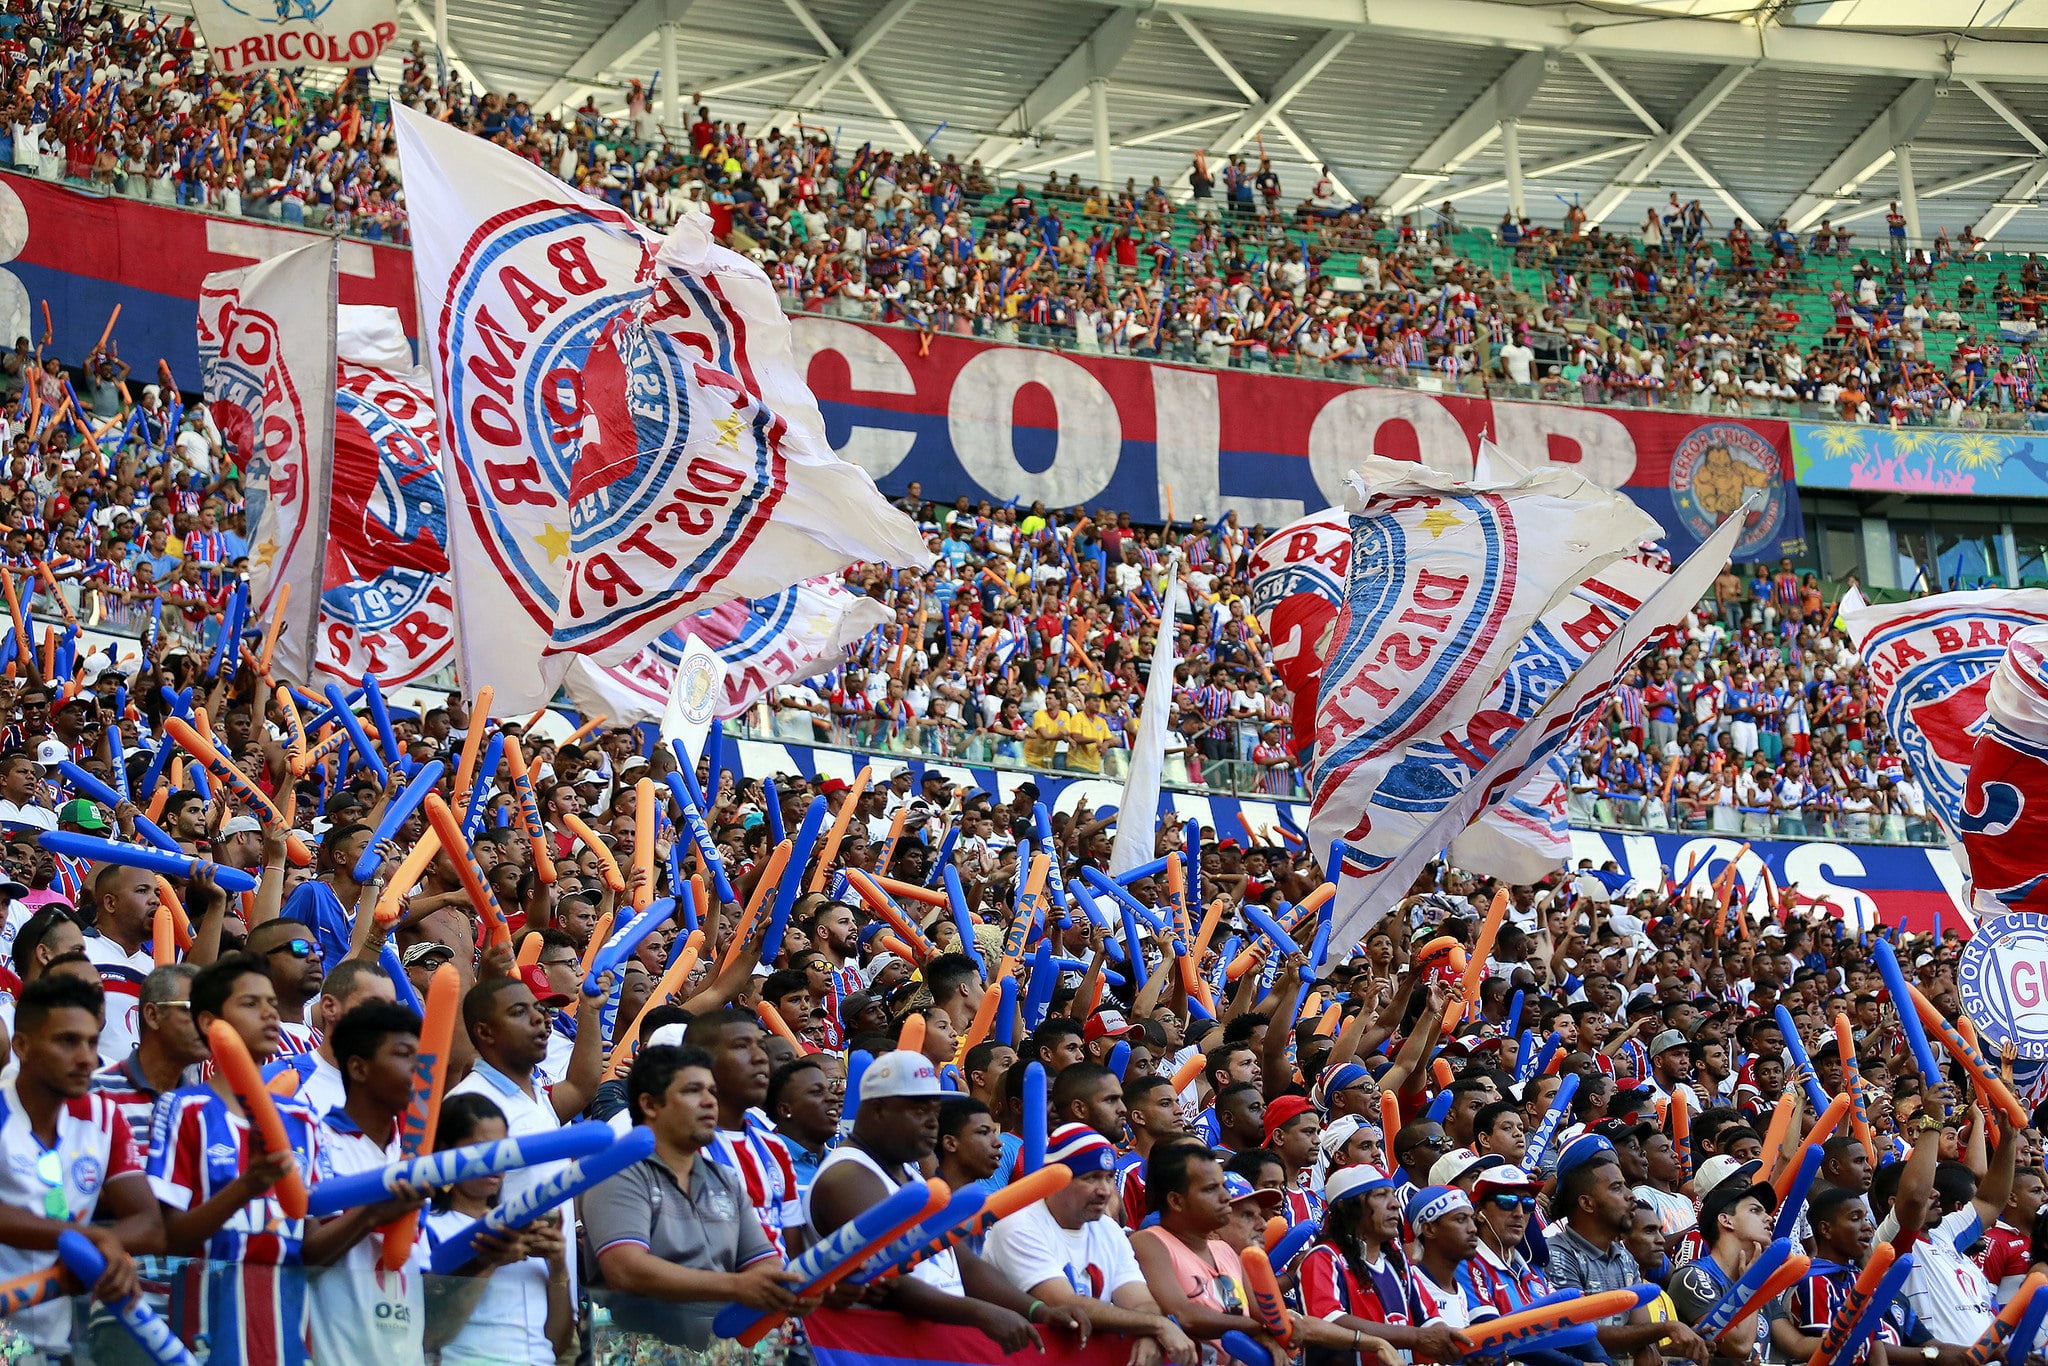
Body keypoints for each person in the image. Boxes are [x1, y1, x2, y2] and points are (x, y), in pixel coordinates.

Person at [808, 1049, 1081, 1350]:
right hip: (872, 1352)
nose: (932, 1123)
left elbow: (963, 1261)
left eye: (934, 1111)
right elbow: (889, 1283)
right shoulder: (848, 1176)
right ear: (878, 1109)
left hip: (924, 1347)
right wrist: (981, 1313)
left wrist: (1038, 1309)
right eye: (919, 1110)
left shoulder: (908, 1175)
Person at [146, 950, 327, 1366]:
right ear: (210, 1023)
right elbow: (171, 1239)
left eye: (271, 1004)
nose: (269, 1015)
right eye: (250, 1004)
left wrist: (380, 1210)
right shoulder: (183, 1108)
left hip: (292, 1343)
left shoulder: (303, 1117)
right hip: (206, 1341)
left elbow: (313, 1242)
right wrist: (248, 1186)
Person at [582, 1042, 815, 1352]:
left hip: (727, 1351)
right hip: (640, 1351)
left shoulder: (725, 1180)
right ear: (650, 1105)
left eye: (713, 1092)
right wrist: (737, 1286)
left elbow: (765, 1264)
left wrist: (789, 1288)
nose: (709, 1103)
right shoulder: (618, 1172)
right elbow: (626, 1269)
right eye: (693, 1091)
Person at [0, 976, 164, 1362]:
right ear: (21, 1046)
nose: (87, 1058)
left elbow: (150, 1224)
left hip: (56, 1342)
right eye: (67, 1042)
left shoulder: (104, 1116)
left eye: (92, 1042)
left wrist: (105, 1251)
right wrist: (88, 1239)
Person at [982, 1122, 1197, 1363]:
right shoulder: (1017, 1227)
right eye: (1091, 1178)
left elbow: (1140, 1301)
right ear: (1056, 1180)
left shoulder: (1108, 1229)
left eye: (1108, 1178)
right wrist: (1157, 1325)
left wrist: (1148, 1333)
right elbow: (1065, 1303)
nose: (1105, 1191)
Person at [423, 1092, 577, 1366]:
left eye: (505, 1150)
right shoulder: (429, 1228)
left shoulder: (523, 1228)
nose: (496, 1162)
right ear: (447, 1152)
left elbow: (556, 1343)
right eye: (482, 1150)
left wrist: (558, 1268)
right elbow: (431, 1334)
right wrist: (488, 1261)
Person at [1546, 1135, 1709, 1363]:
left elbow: (1641, 1339)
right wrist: (1665, 1329)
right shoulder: (1557, 1254)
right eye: (1616, 1188)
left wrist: (1676, 1350)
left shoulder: (1623, 1257)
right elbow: (1585, 1337)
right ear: (1587, 1203)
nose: (1630, 1195)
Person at [1875, 1081, 2017, 1343]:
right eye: (1930, 1188)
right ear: (1894, 1202)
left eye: (1935, 1187)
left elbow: (1991, 1202)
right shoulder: (1891, 1241)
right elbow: (1916, 1197)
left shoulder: (1945, 1232)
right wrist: (1932, 1122)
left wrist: (2008, 1140)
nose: (1936, 1193)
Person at [1299, 1164, 1470, 1361]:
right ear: (1346, 1207)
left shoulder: (1396, 1260)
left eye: (1393, 1194)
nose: (1395, 1204)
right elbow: (1328, 1323)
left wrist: (1451, 1342)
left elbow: (1430, 1321)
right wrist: (1414, 1337)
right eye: (1381, 1195)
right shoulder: (1323, 1258)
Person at [1666, 1158, 1777, 1363]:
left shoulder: (1760, 1277)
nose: (1769, 1218)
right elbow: (1739, 1347)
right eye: (1755, 1210)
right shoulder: (1692, 1277)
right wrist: (1750, 1285)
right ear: (1726, 1220)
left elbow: (1796, 1344)